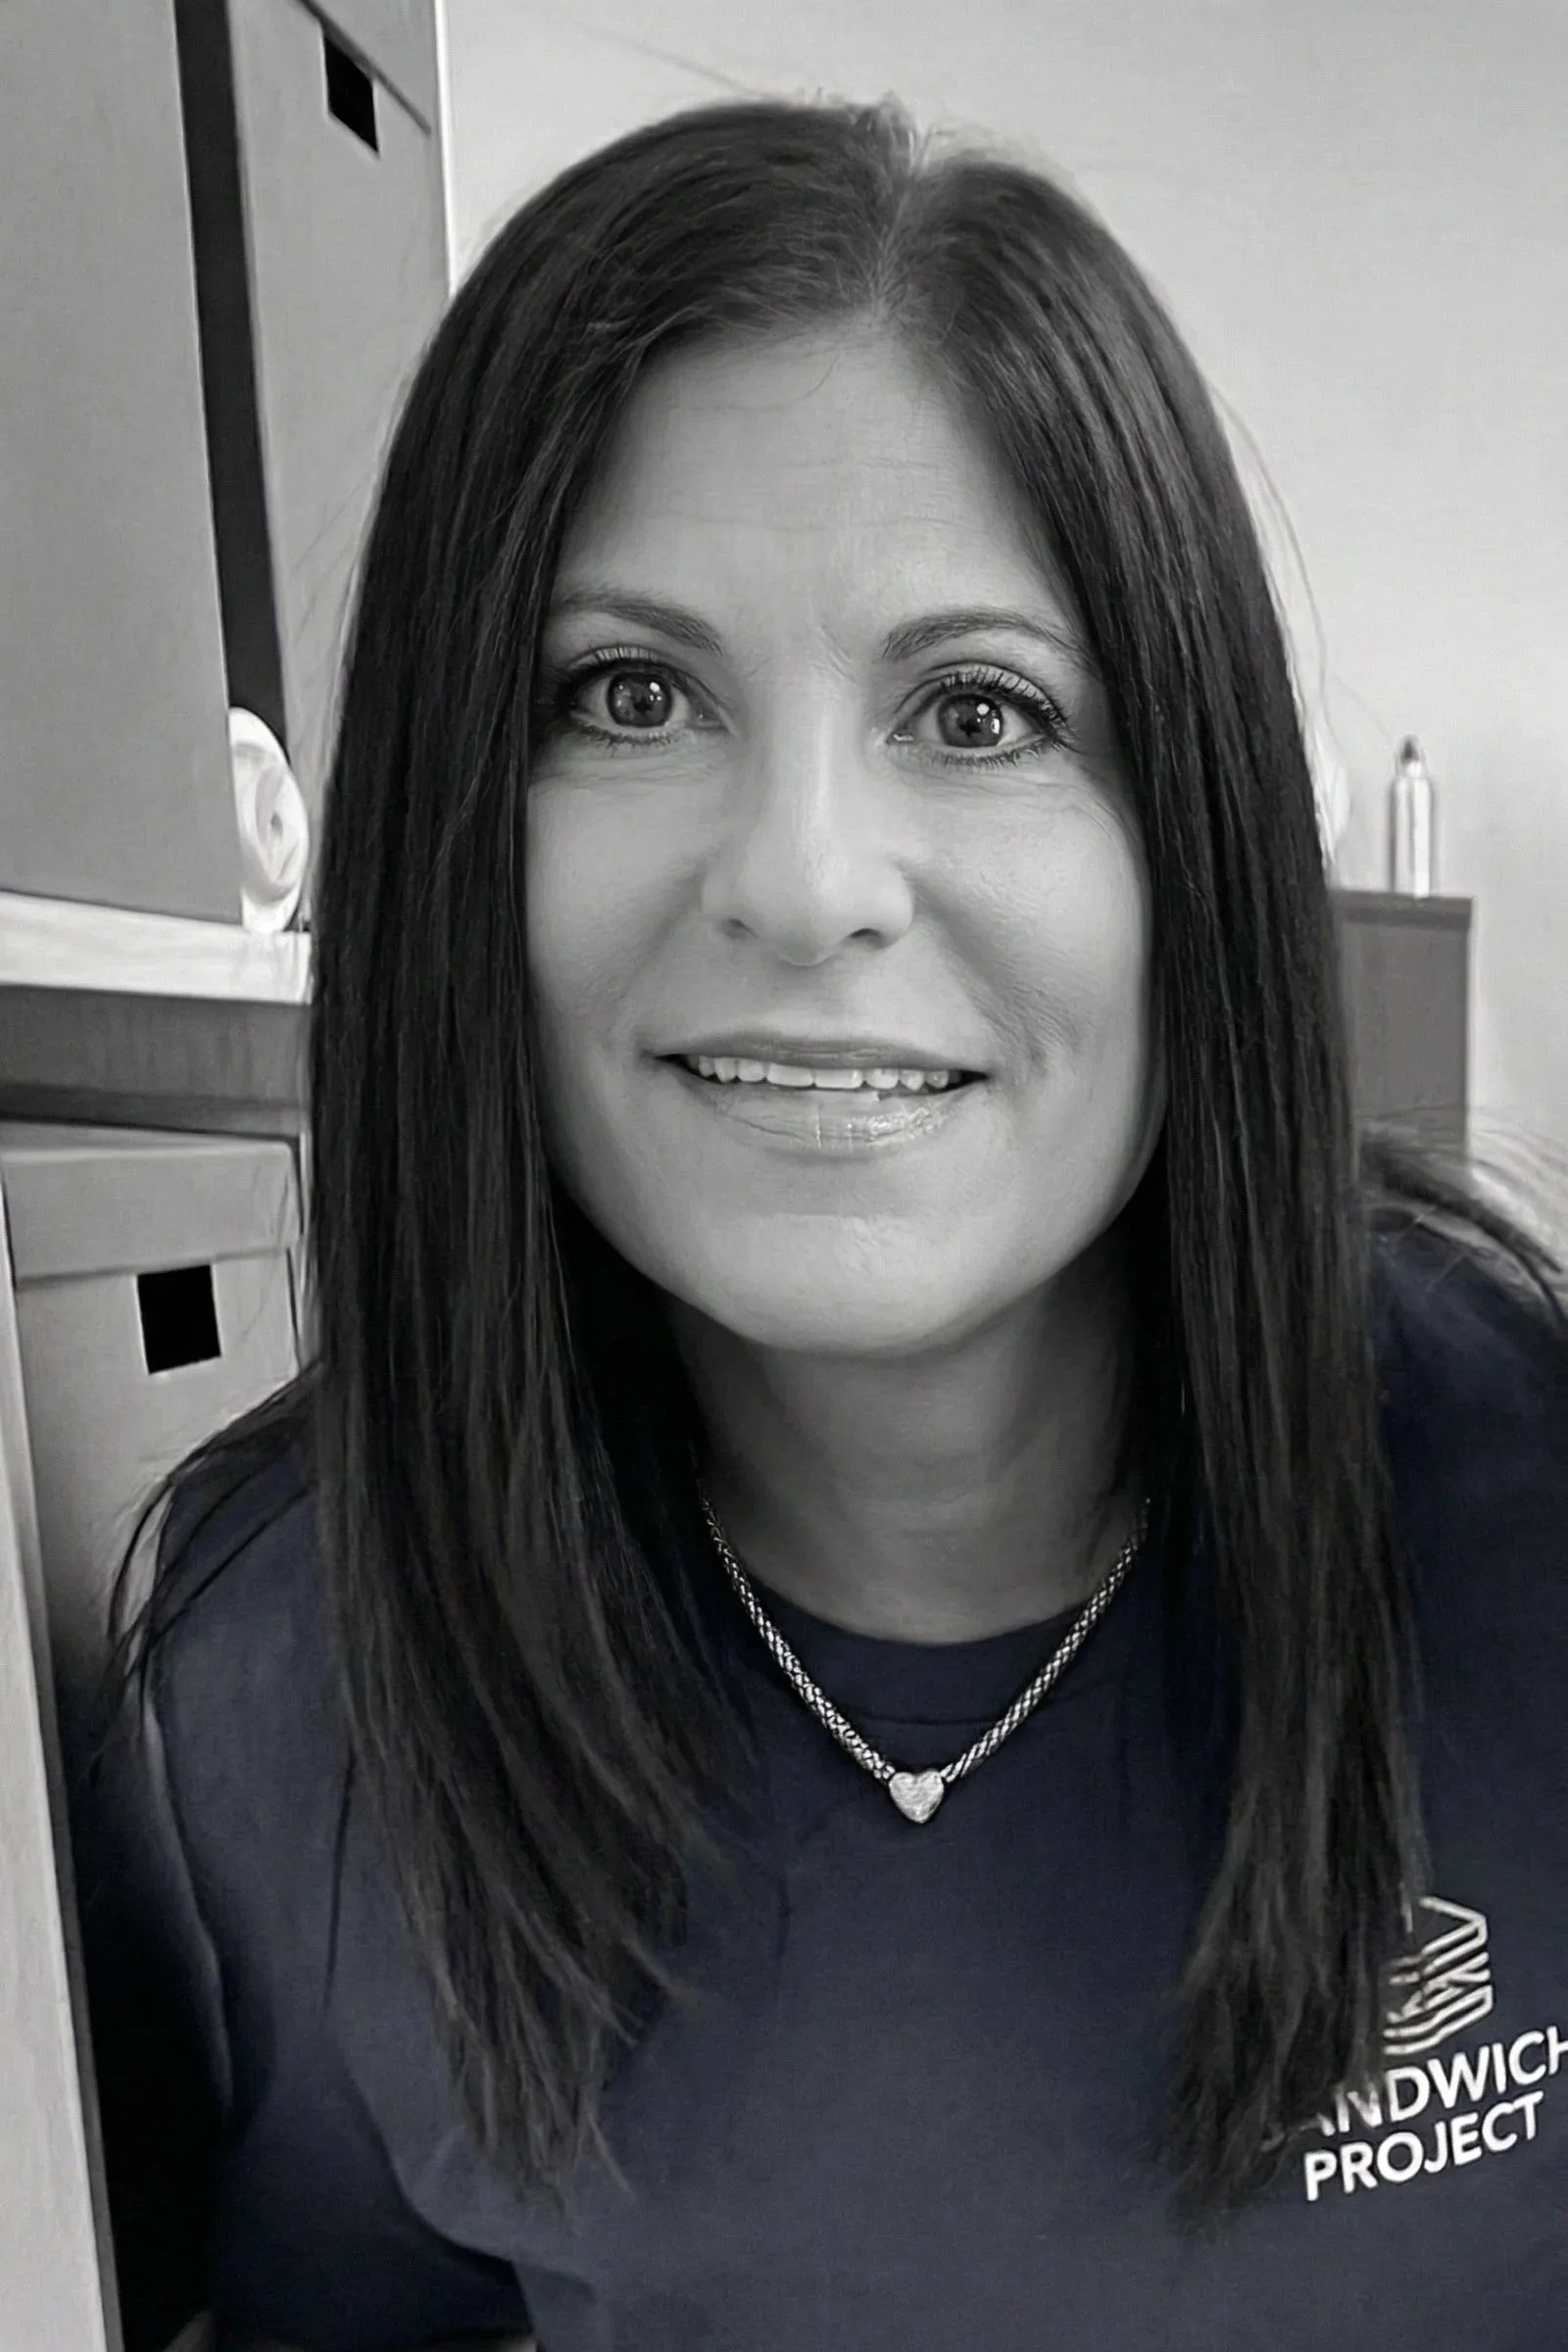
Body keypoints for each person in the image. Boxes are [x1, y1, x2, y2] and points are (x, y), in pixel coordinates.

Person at [74, 93, 1568, 2352]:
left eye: (978, 710)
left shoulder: (1521, 1509)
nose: (797, 876)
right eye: (624, 694)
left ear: (1200, 852)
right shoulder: (297, 1663)